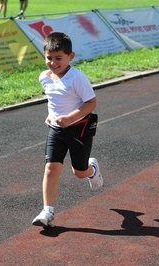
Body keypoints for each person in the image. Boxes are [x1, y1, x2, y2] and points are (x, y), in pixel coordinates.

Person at [32, 32, 103, 228]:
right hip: (56, 129)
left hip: (79, 129)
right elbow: (53, 99)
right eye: (49, 58)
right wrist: (51, 115)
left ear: (70, 57)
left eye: (58, 59)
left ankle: (93, 170)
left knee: (79, 172)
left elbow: (91, 103)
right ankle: (48, 212)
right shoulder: (44, 77)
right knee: (51, 168)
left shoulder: (77, 78)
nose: (53, 63)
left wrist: (70, 118)